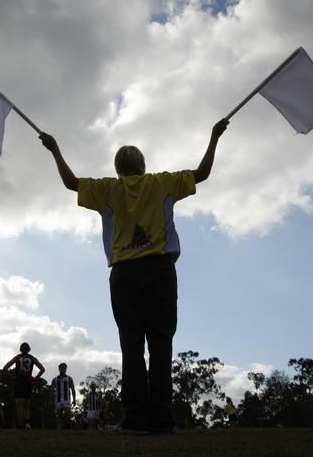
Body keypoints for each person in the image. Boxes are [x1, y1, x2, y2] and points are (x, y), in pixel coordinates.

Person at [39, 117, 229, 433]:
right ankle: (164, 419)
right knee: (161, 345)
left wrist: (54, 149)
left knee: (131, 346)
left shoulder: (106, 189)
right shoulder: (163, 182)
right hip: (161, 271)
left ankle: (136, 418)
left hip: (125, 274)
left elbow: (71, 183)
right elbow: (203, 173)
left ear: (118, 168)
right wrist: (214, 136)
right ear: (143, 165)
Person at [3, 342, 45, 429]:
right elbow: (42, 369)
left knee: (19, 404)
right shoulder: (32, 358)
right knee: (26, 405)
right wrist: (36, 378)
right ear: (29, 349)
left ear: (20, 349)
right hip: (28, 382)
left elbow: (5, 367)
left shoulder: (17, 357)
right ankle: (27, 424)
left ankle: (20, 425)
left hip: (19, 381)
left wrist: (12, 377)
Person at [50, 363, 76, 430]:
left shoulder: (69, 378)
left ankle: (68, 427)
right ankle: (59, 429)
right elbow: (52, 390)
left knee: (68, 413)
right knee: (59, 415)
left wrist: (74, 400)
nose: (63, 370)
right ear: (59, 369)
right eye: (62, 368)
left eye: (65, 368)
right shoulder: (55, 379)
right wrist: (51, 400)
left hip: (66, 399)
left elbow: (73, 389)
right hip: (58, 399)